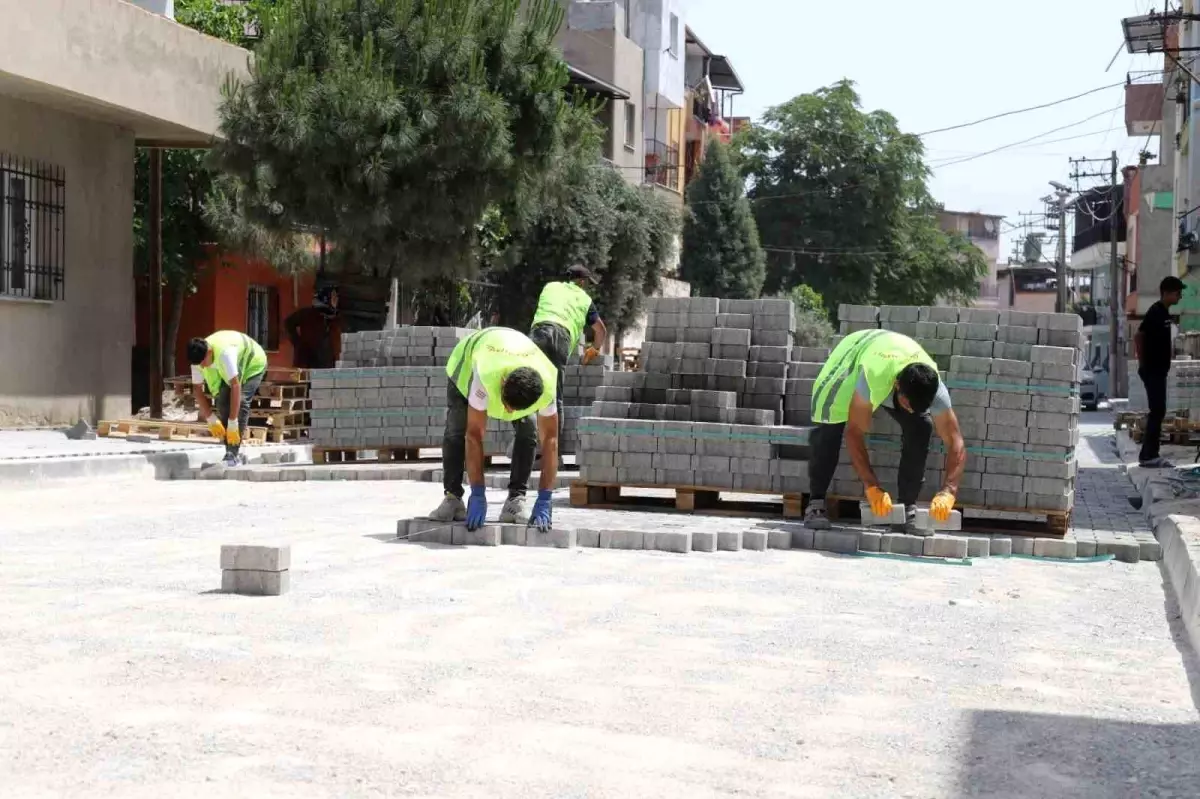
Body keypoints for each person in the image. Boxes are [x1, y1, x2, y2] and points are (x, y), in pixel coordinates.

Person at [805, 329, 967, 535]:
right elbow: (854, 433)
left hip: (893, 355)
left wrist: (949, 491)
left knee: (921, 425)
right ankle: (815, 503)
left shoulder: (934, 388)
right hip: (854, 355)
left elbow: (956, 442)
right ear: (897, 386)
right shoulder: (872, 377)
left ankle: (907, 511)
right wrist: (872, 487)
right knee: (830, 424)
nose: (910, 410)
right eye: (907, 405)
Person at [427, 327, 560, 531]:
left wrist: (545, 497)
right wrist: (478, 492)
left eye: (513, 409)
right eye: (506, 404)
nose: (507, 412)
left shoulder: (547, 383)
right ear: (503, 382)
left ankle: (516, 500)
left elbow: (550, 440)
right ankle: (453, 497)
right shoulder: (485, 374)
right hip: (467, 362)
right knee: (456, 430)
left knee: (529, 430)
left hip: (514, 351)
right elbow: (474, 436)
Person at [529, 264, 608, 434]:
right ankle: (553, 452)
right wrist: (594, 349)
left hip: (537, 334)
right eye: (586, 283)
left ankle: (526, 443)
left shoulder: (550, 287)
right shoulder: (585, 299)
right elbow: (601, 331)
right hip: (560, 337)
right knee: (554, 396)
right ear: (581, 282)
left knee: (529, 386)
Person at [187, 331, 268, 467]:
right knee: (223, 403)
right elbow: (197, 389)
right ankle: (230, 452)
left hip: (253, 363)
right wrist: (210, 418)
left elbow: (236, 386)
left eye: (203, 363)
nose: (201, 367)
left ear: (209, 352)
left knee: (241, 403)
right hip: (230, 368)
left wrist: (232, 423)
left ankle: (232, 454)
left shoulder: (225, 354)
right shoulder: (198, 358)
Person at [1135, 275, 1185, 468]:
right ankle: (1149, 455)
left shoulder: (1164, 313)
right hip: (1153, 369)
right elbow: (1140, 335)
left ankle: (1147, 454)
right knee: (1157, 410)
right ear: (1167, 292)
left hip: (1159, 370)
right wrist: (1142, 364)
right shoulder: (1155, 311)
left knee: (1158, 410)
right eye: (1177, 292)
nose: (1180, 296)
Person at [284, 284, 340, 369]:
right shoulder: (308, 314)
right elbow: (288, 323)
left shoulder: (335, 318)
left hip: (327, 366)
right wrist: (297, 342)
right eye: (333, 297)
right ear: (326, 298)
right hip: (306, 363)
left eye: (336, 297)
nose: (336, 300)